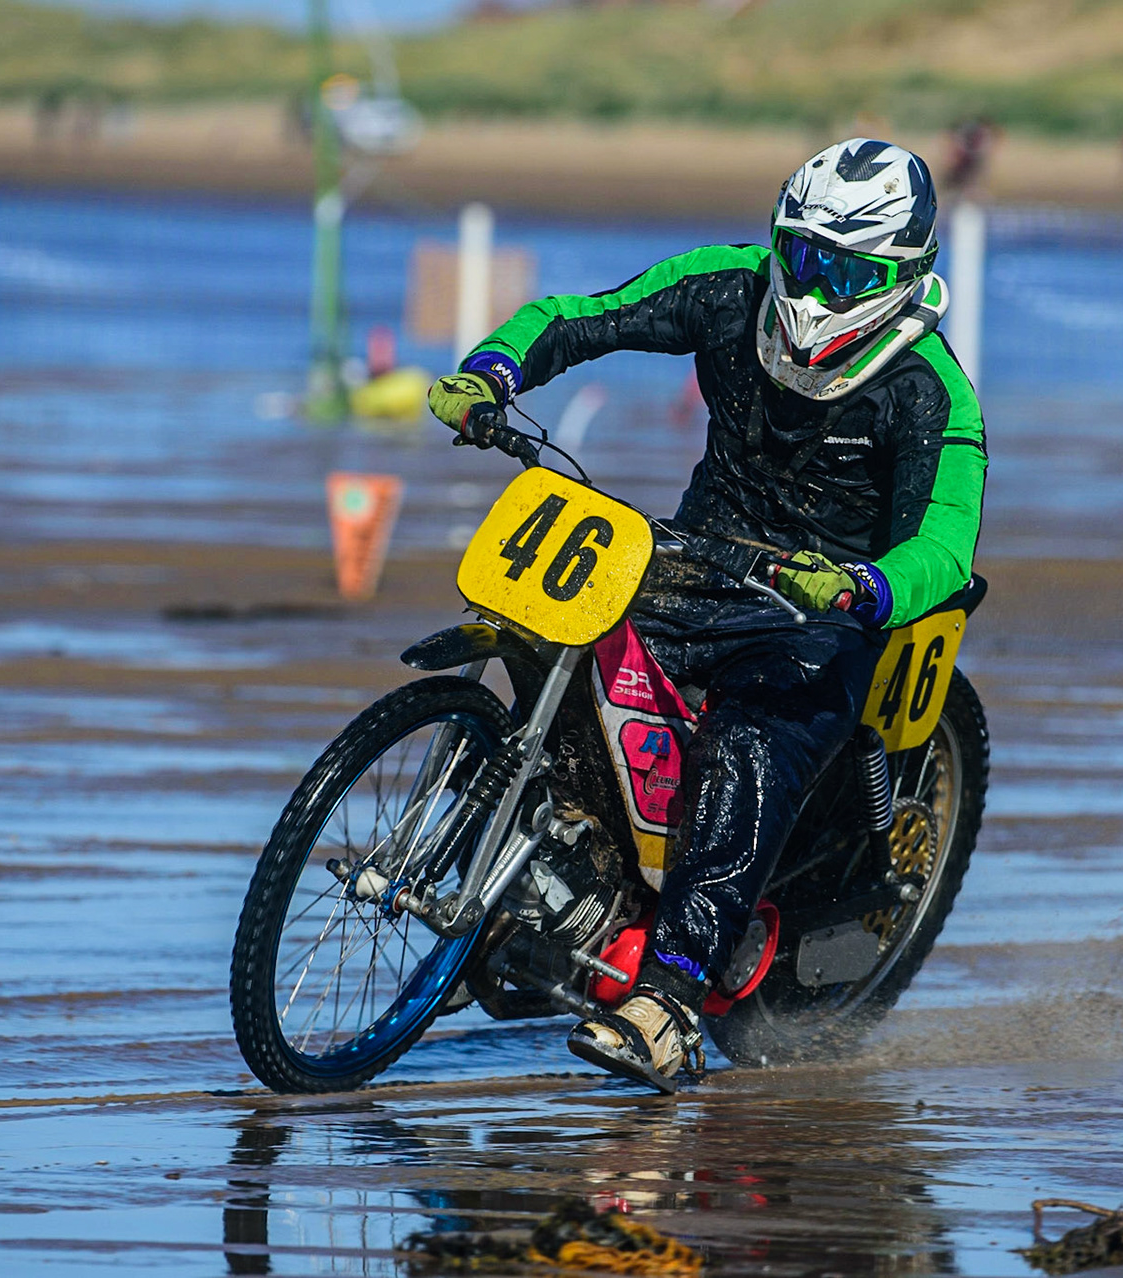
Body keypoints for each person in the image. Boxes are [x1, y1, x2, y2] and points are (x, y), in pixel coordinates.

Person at [425, 139, 987, 1092]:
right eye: (802, 254)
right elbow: (578, 318)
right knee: (545, 647)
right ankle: (496, 892)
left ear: (900, 277)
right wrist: (494, 372)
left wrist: (861, 588)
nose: (811, 282)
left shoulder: (933, 393)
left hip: (819, 620)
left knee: (747, 749)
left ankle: (671, 1001)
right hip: (687, 561)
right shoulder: (726, 289)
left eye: (843, 269)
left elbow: (945, 546)